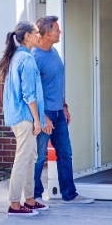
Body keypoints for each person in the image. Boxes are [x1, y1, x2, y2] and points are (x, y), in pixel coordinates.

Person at [32, 16, 94, 204]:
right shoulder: (35, 58)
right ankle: (34, 196)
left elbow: (56, 83)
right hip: (44, 115)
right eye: (57, 29)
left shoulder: (54, 52)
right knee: (39, 156)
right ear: (47, 33)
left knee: (65, 152)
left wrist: (64, 105)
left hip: (58, 112)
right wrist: (43, 118)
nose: (60, 32)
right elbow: (31, 91)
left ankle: (69, 194)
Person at [0, 20, 53, 216]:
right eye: (37, 32)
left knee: (30, 158)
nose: (40, 35)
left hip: (20, 116)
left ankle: (29, 200)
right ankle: (14, 204)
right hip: (24, 117)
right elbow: (29, 94)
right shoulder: (27, 59)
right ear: (27, 36)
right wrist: (38, 120)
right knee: (23, 159)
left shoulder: (18, 56)